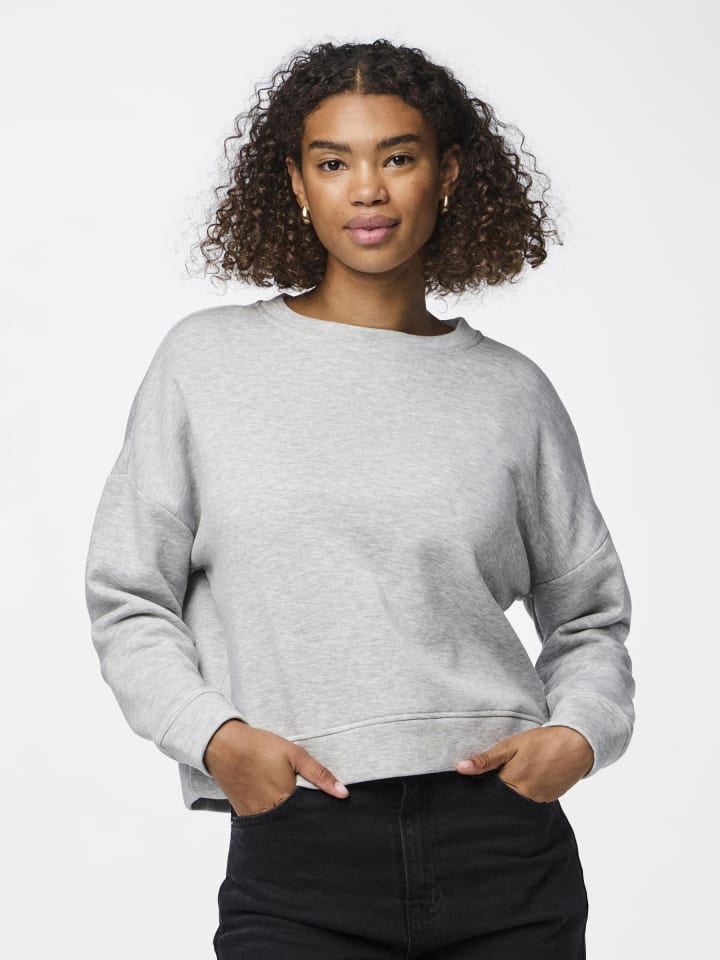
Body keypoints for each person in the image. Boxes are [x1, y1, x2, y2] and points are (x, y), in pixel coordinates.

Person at [84, 38, 635, 959]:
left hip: (504, 849)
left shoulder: (511, 393)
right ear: (296, 182)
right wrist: (217, 740)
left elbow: (590, 618)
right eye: (334, 162)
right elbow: (127, 595)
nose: (367, 189)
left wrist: (577, 735)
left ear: (447, 173)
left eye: (398, 157)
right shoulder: (206, 365)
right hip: (299, 846)